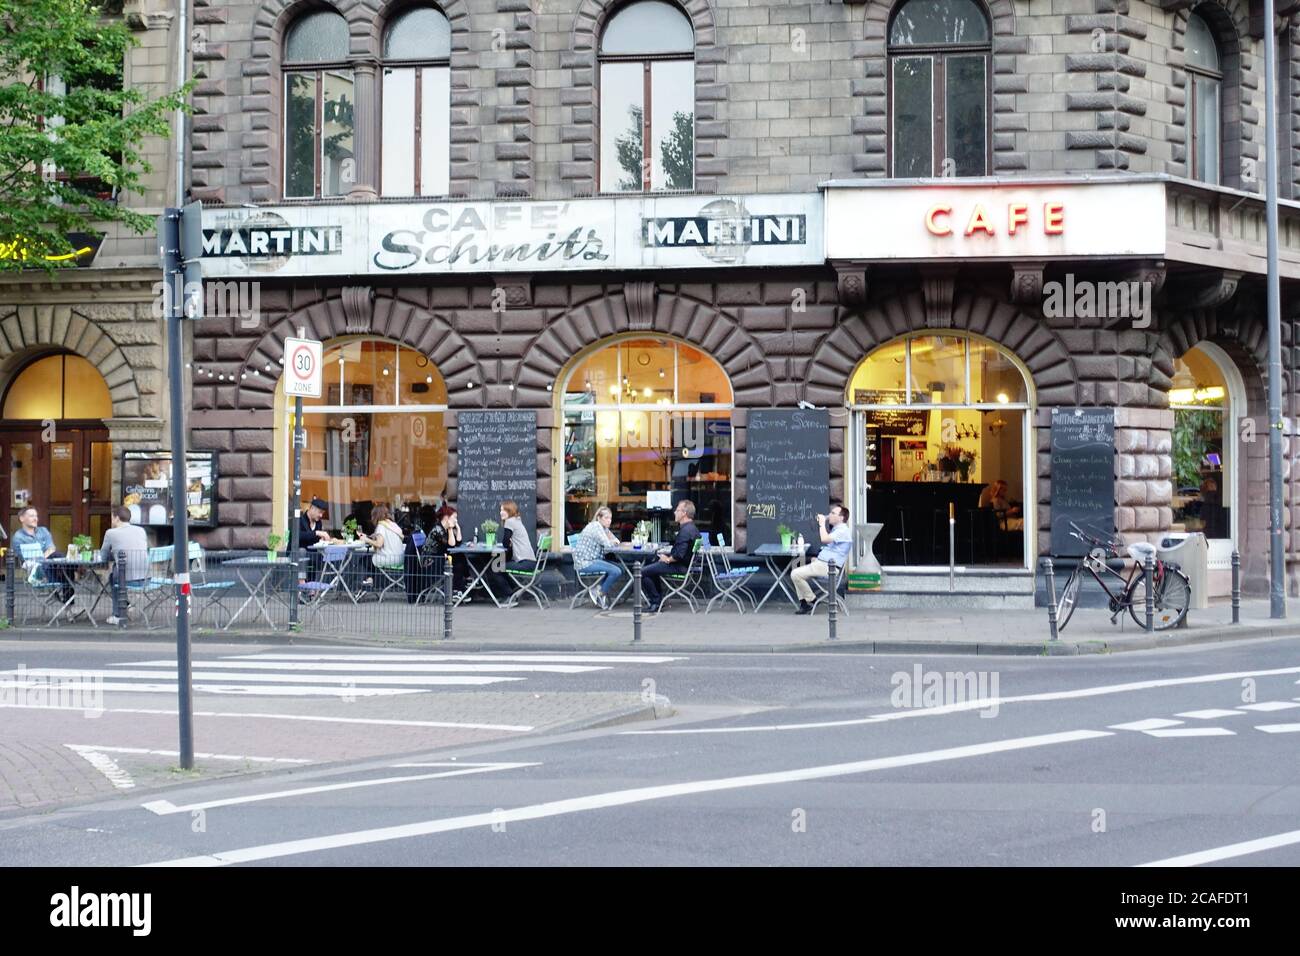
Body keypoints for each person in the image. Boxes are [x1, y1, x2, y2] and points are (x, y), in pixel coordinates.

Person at [791, 503, 852, 615]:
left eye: (833, 513)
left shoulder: (842, 531)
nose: (830, 514)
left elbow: (824, 539)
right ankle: (805, 604)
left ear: (841, 518)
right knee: (797, 571)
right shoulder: (838, 530)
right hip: (823, 564)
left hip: (829, 568)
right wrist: (819, 558)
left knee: (795, 573)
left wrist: (822, 524)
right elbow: (832, 549)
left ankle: (811, 601)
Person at [640, 499, 700, 613]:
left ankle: (655, 602)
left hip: (679, 566)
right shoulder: (692, 528)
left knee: (642, 572)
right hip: (685, 566)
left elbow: (679, 554)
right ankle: (659, 600)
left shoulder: (685, 531)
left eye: (677, 510)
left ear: (684, 513)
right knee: (651, 564)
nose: (674, 513)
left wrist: (667, 559)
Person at [99, 505, 149, 625]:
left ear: (116, 518)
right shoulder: (141, 530)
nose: (112, 520)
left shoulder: (110, 533)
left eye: (112, 517)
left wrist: (113, 555)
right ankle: (125, 604)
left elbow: (103, 556)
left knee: (114, 577)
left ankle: (118, 615)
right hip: (146, 578)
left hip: (126, 579)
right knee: (115, 575)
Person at [11, 505, 73, 601]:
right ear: (22, 518)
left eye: (36, 516)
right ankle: (68, 601)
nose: (35, 519)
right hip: (37, 570)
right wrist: (44, 558)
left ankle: (68, 599)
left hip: (50, 565)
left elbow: (51, 548)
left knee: (60, 557)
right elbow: (27, 558)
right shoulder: (18, 537)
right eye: (32, 516)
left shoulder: (43, 531)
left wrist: (42, 557)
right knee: (64, 566)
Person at [572, 505, 624, 609]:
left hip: (594, 559)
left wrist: (613, 540)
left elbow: (615, 540)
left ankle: (598, 588)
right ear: (599, 518)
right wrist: (613, 541)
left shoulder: (603, 528)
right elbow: (609, 544)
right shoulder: (596, 527)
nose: (609, 521)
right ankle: (600, 594)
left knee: (621, 568)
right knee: (616, 571)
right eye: (606, 518)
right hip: (585, 562)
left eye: (610, 518)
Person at [491, 500, 537, 600]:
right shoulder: (517, 520)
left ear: (510, 511)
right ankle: (514, 590)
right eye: (500, 510)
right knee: (502, 565)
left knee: (496, 567)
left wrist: (509, 543)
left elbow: (505, 543)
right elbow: (508, 544)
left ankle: (509, 595)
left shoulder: (509, 522)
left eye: (503, 510)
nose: (500, 512)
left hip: (524, 562)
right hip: (531, 562)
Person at [363, 504, 405, 583]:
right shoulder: (393, 525)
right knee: (371, 560)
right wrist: (375, 535)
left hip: (389, 559)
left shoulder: (381, 526)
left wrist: (366, 539)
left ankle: (369, 580)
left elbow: (379, 544)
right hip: (400, 559)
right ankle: (371, 579)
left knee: (365, 559)